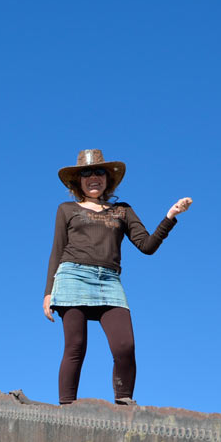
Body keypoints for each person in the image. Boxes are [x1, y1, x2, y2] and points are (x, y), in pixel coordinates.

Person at [43, 149, 192, 405]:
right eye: (86, 173)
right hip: (72, 277)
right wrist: (49, 292)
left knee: (125, 347)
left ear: (107, 179)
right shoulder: (66, 209)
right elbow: (57, 250)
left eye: (99, 172)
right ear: (78, 180)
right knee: (75, 347)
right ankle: (66, 408)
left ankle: (124, 404)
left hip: (109, 281)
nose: (93, 178)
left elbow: (147, 246)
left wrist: (170, 217)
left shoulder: (122, 210)